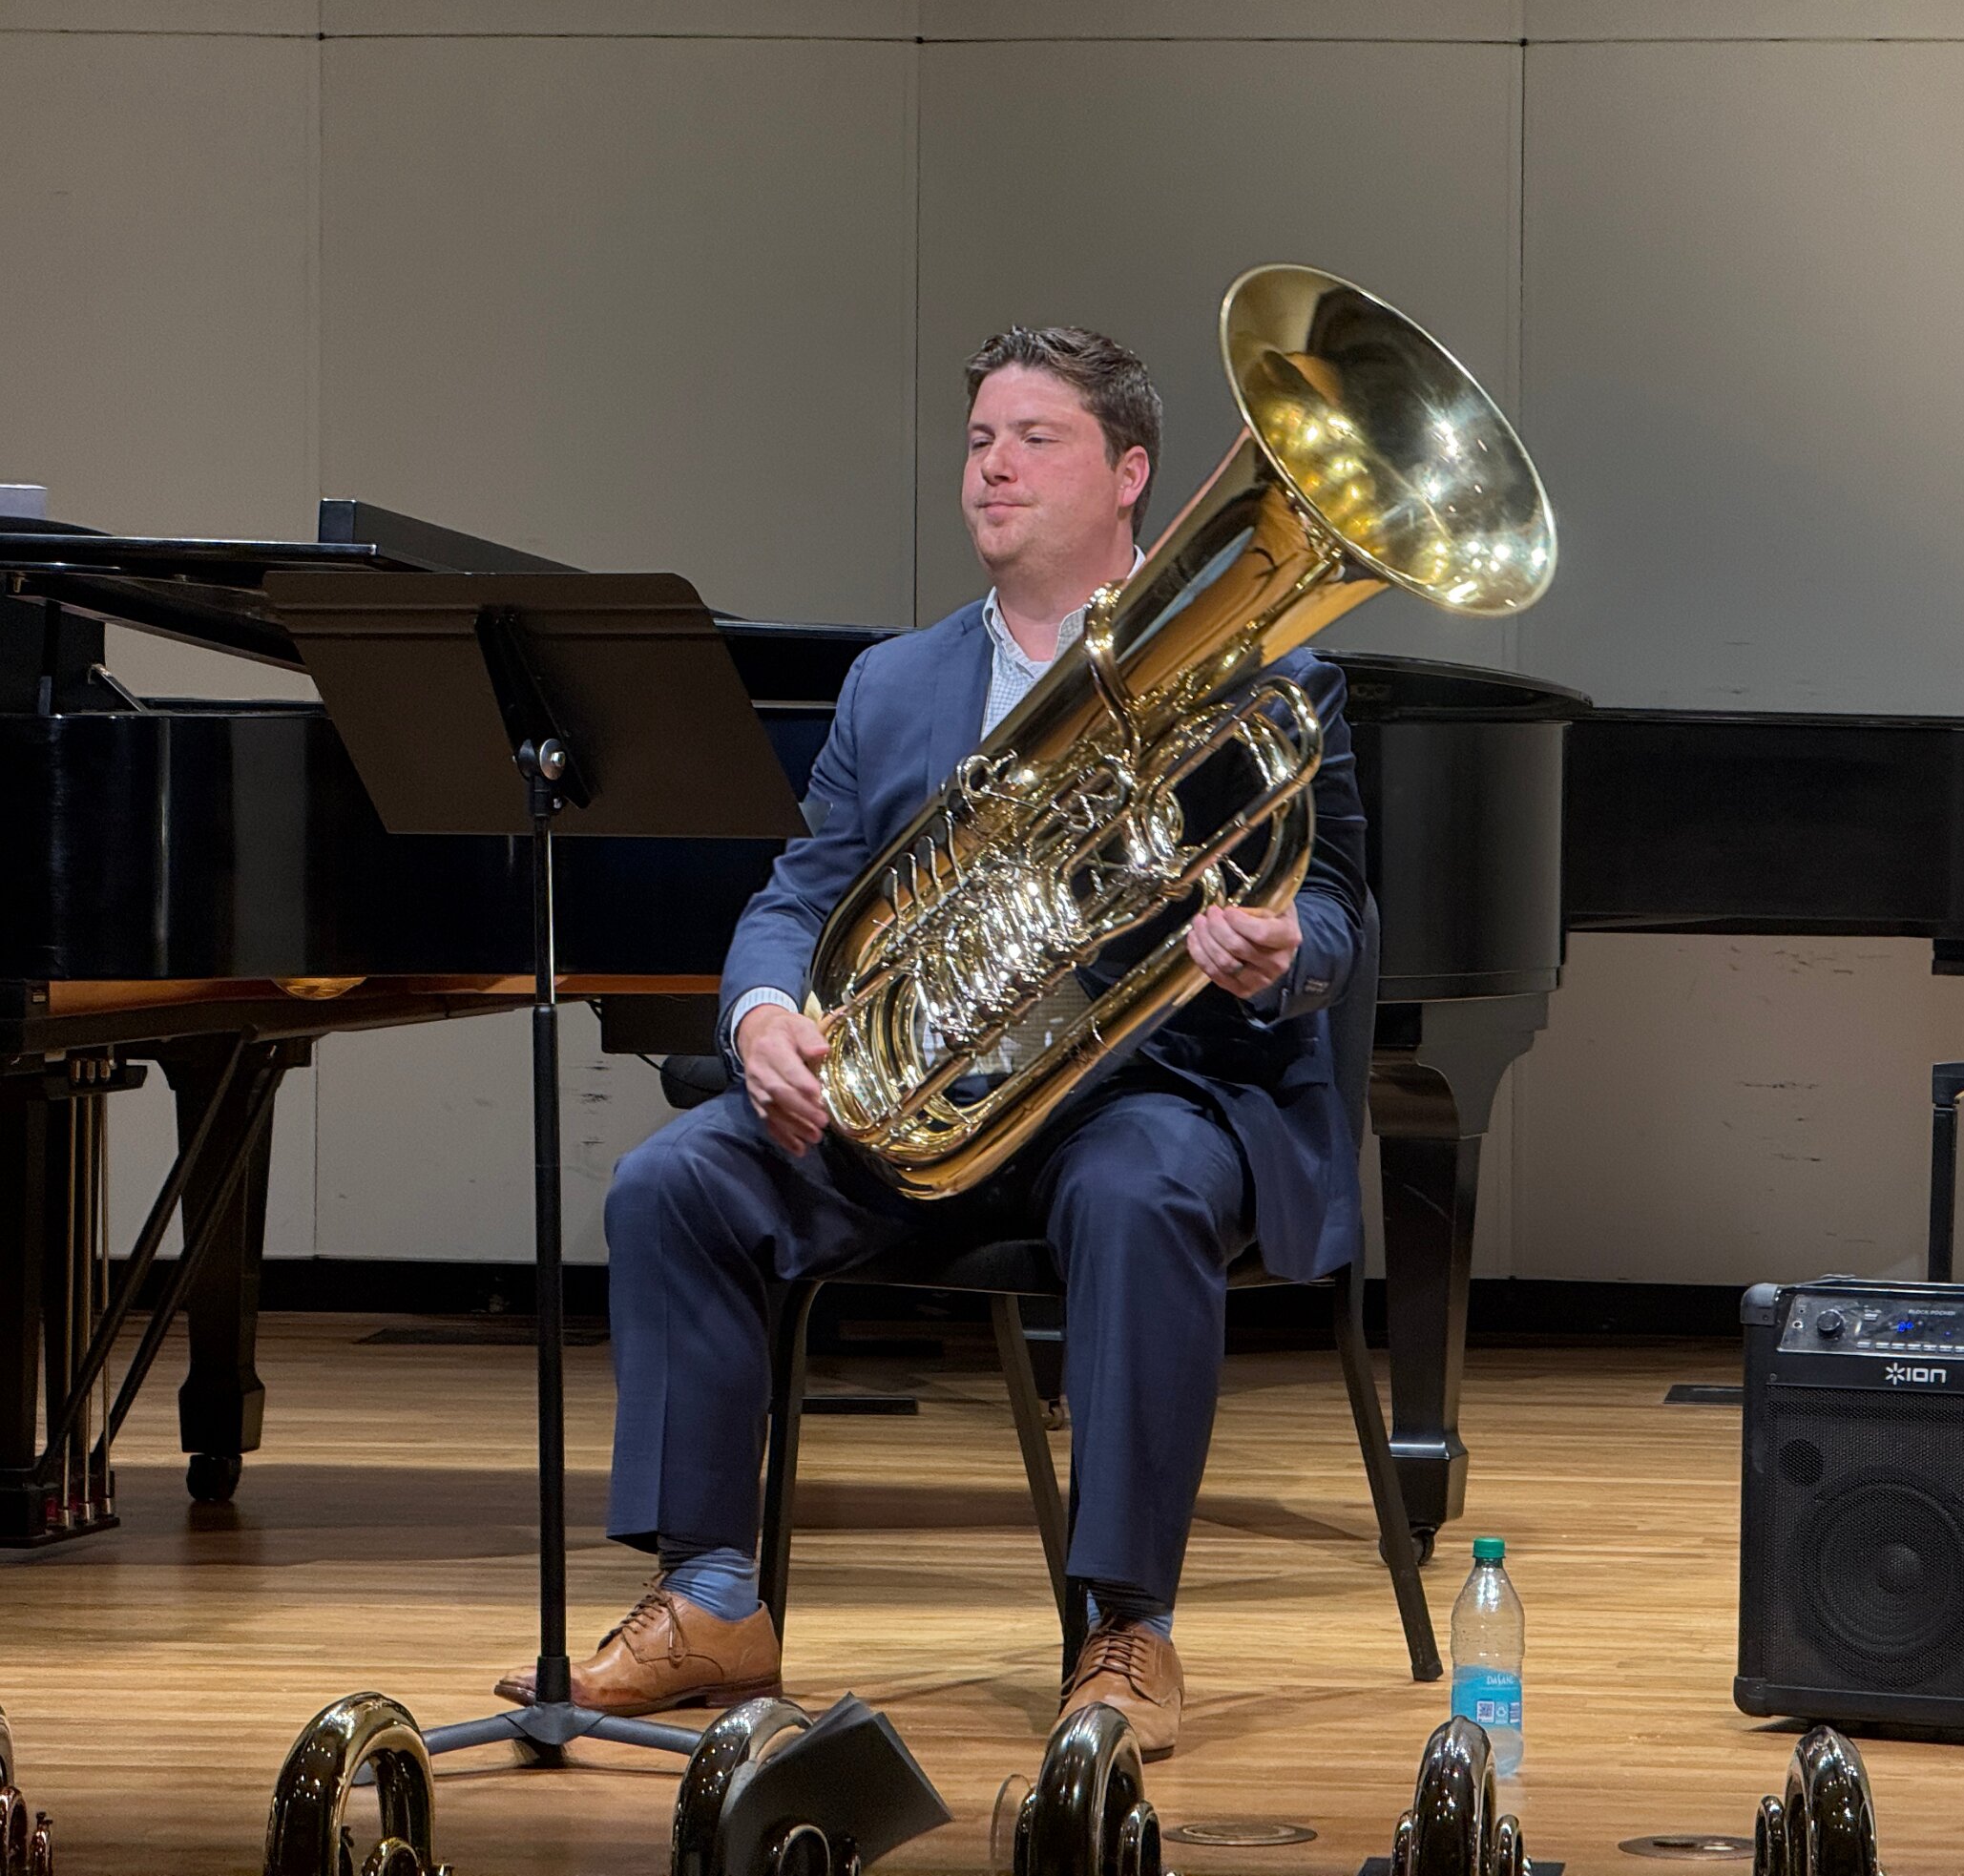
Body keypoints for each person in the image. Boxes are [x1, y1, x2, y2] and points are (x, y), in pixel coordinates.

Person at [494, 324, 1368, 1759]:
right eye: (978, 442)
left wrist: (1277, 944)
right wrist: (763, 1013)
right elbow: (800, 896)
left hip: (1143, 1087)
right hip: (927, 1100)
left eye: (1036, 439)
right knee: (671, 1182)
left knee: (1139, 1193)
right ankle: (708, 1596)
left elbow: (1332, 906)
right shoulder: (893, 683)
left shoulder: (1259, 671)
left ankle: (1126, 1624)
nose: (993, 467)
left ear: (1131, 473)